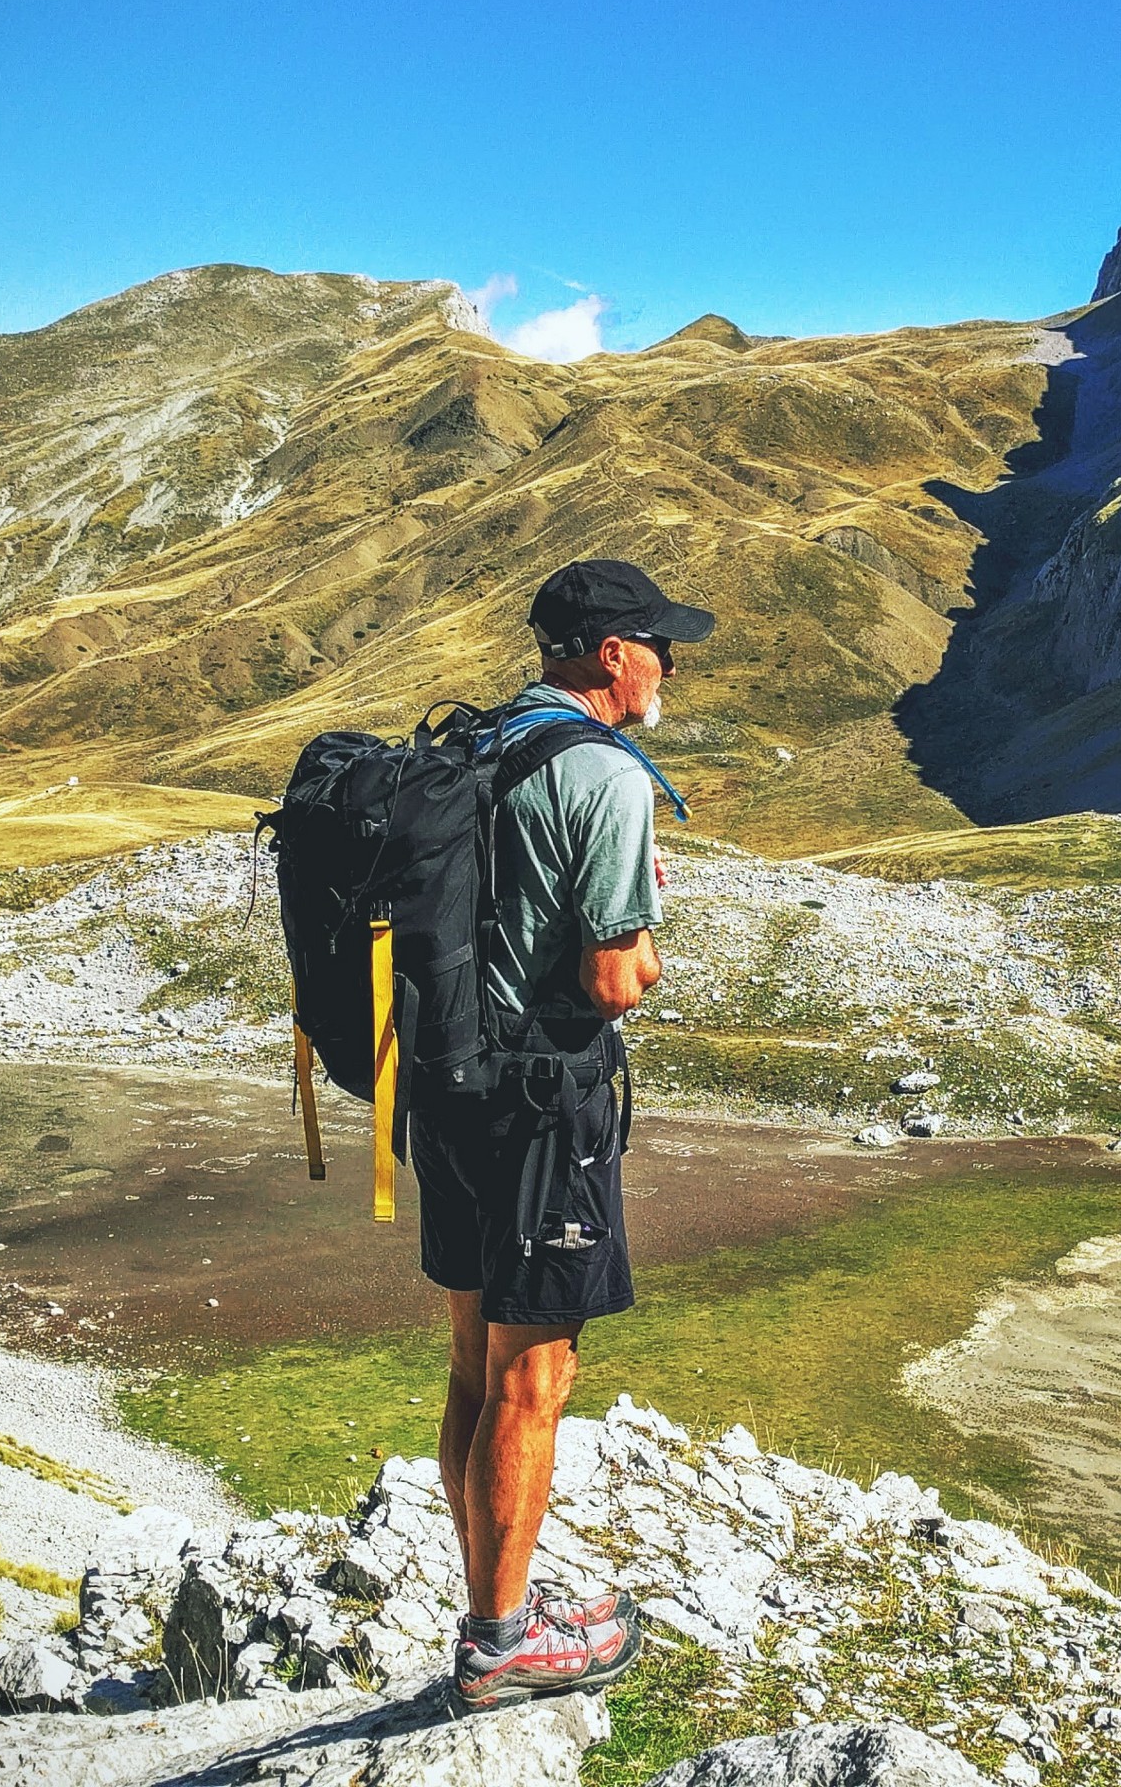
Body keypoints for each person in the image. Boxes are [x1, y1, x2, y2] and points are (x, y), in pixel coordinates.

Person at [412, 556, 713, 1708]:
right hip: (544, 1105)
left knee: (469, 1368)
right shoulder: (603, 774)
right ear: (607, 654)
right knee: (533, 1380)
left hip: (448, 1090)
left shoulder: (479, 745)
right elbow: (612, 981)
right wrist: (646, 933)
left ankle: (496, 1599)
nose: (668, 666)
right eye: (658, 645)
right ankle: (499, 1645)